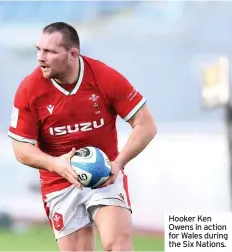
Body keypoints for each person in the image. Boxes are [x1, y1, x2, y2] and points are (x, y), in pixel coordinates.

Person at [8, 22, 157, 251]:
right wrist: (56, 164)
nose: (40, 57)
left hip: (104, 175)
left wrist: (118, 163)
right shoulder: (29, 89)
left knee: (117, 244)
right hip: (59, 183)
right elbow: (21, 149)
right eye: (38, 49)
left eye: (49, 51)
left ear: (73, 53)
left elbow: (146, 125)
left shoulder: (104, 77)